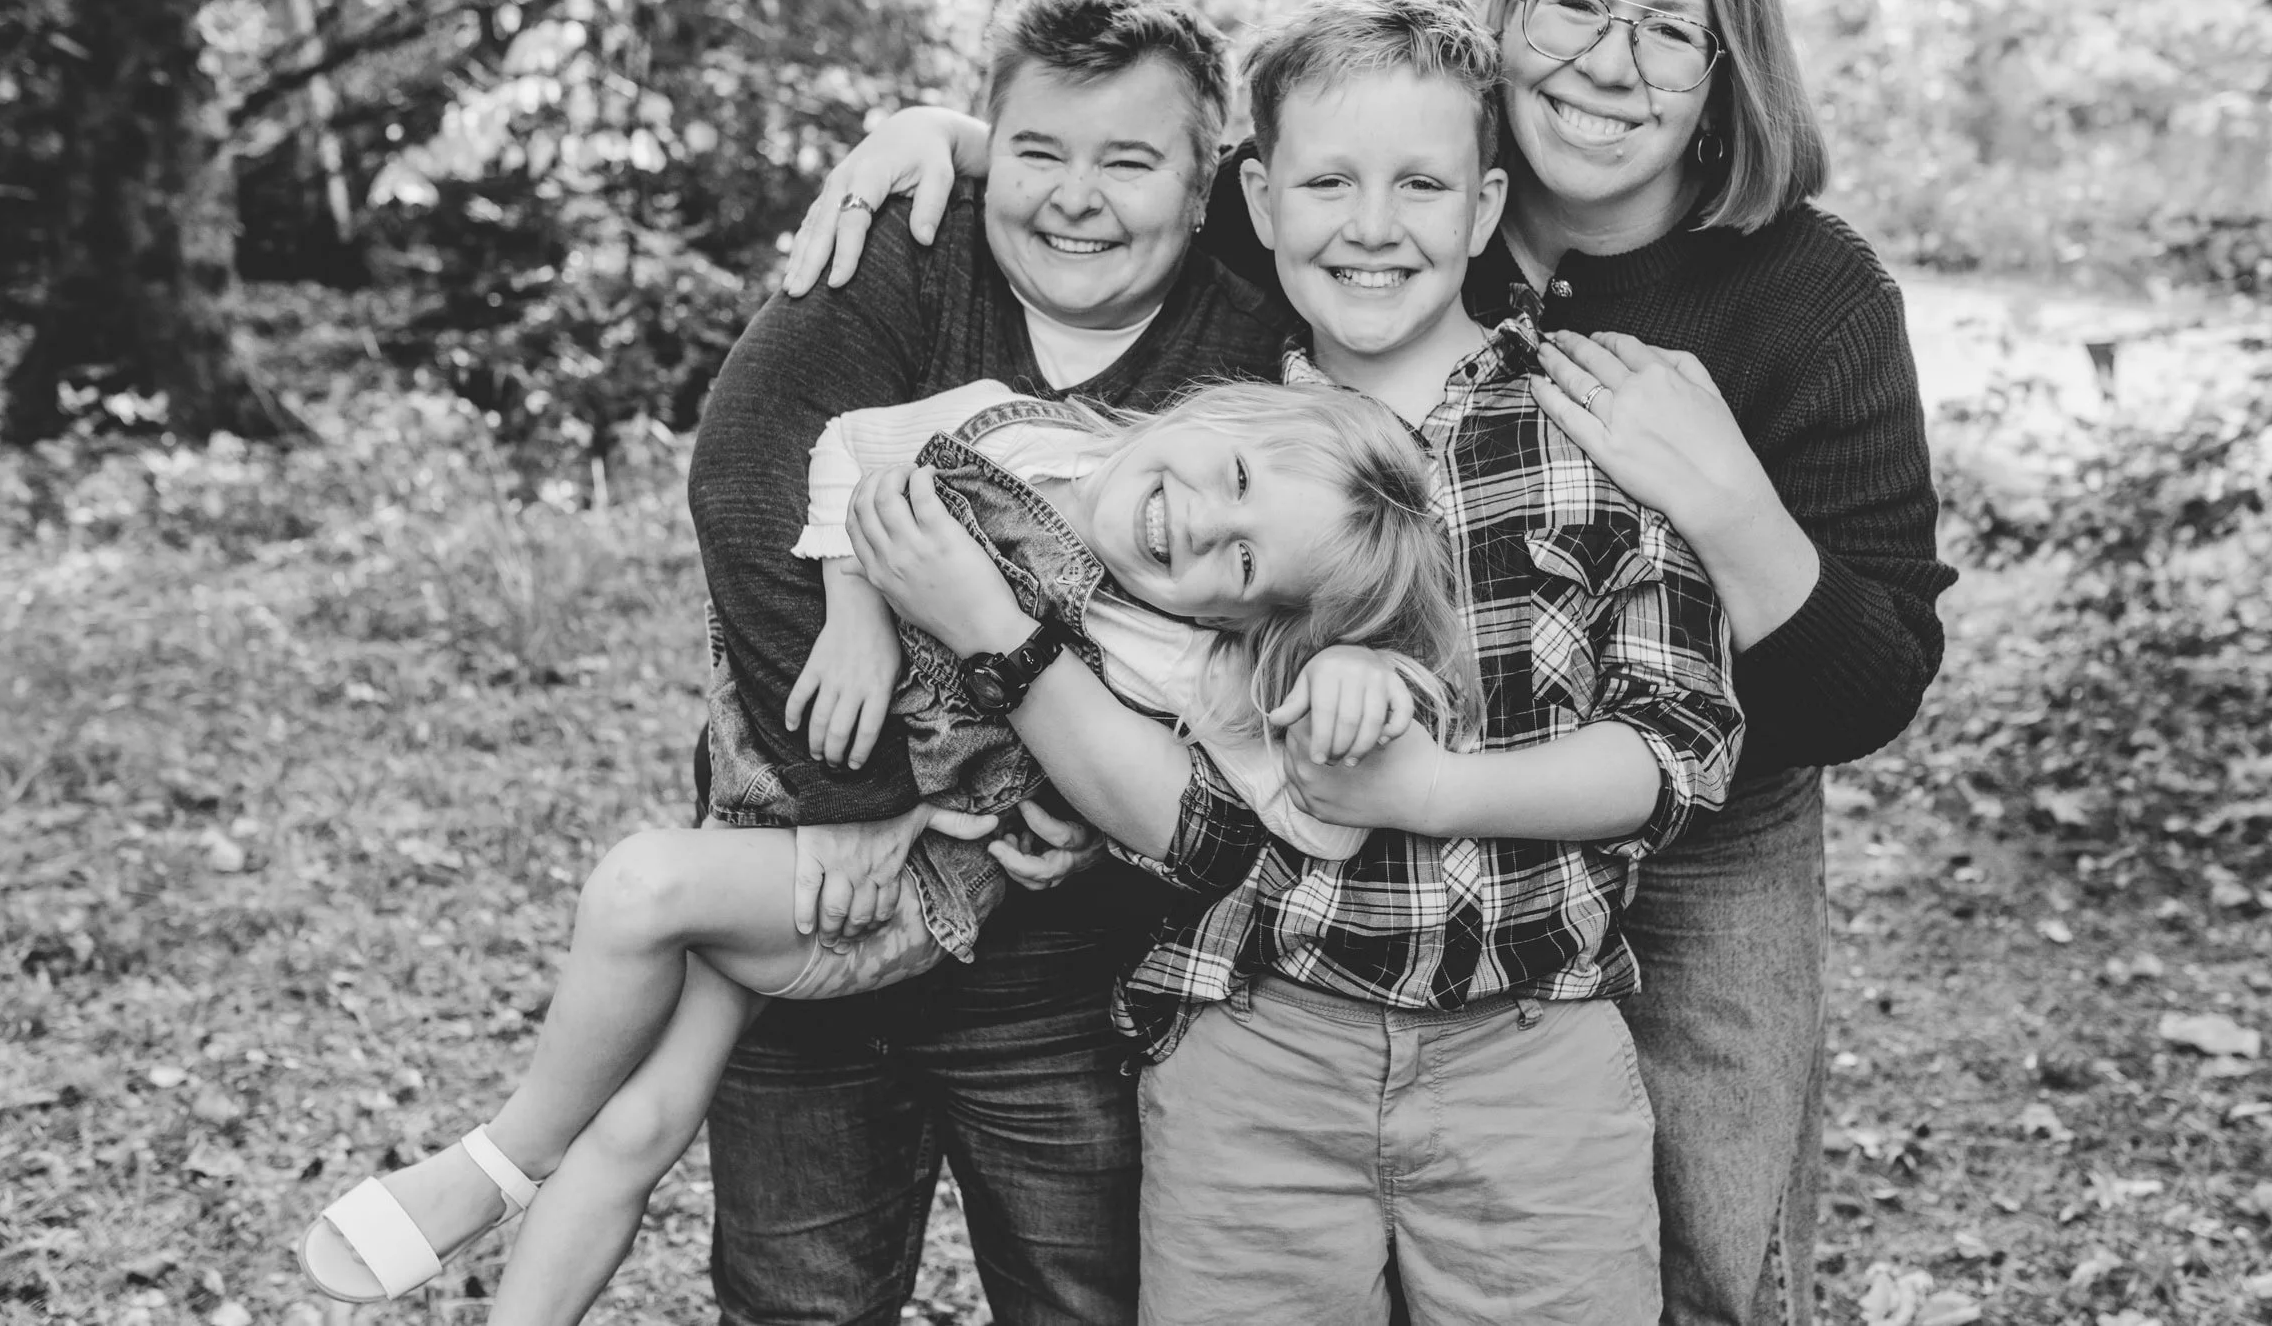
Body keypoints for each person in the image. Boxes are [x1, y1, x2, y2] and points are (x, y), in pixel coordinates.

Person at [791, 0, 1958, 1326]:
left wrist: (1726, 503)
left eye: (1668, 27)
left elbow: (1833, 691)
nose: (1610, 61)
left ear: (1729, 64)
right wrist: (956, 133)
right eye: (1575, 5)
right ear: (1509, 10)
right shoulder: (1314, 280)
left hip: (1684, 818)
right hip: (1291, 963)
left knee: (1700, 1235)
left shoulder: (1791, 302)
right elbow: (1148, 163)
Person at [848, 0, 1743, 1324]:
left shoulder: (1591, 428)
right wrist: (933, 128)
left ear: (1486, 209)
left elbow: (1683, 740)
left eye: (1422, 187)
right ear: (1260, 204)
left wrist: (1433, 786)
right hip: (1256, 1036)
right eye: (1327, 183)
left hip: (1530, 1052)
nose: (1372, 227)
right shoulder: (1200, 431)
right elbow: (1148, 750)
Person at [297, 378, 1469, 1320]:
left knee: (638, 887)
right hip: (772, 813)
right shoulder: (1013, 424)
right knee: (645, 1121)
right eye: (1237, 475)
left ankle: (498, 1157)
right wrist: (856, 610)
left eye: (1246, 563)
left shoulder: (1195, 661)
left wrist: (1354, 673)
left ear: (1244, 622)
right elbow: (852, 443)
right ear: (1213, 409)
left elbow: (1315, 815)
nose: (1201, 522)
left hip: (910, 891)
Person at [690, 0, 1294, 1325]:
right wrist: (866, 810)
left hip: (1069, 943)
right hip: (819, 879)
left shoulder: (1256, 333)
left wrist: (1040, 800)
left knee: (1084, 1291)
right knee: (795, 1291)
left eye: (1130, 163)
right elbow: (747, 480)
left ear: (1207, 186)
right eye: (1035, 153)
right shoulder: (911, 245)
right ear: (989, 147)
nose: (1075, 198)